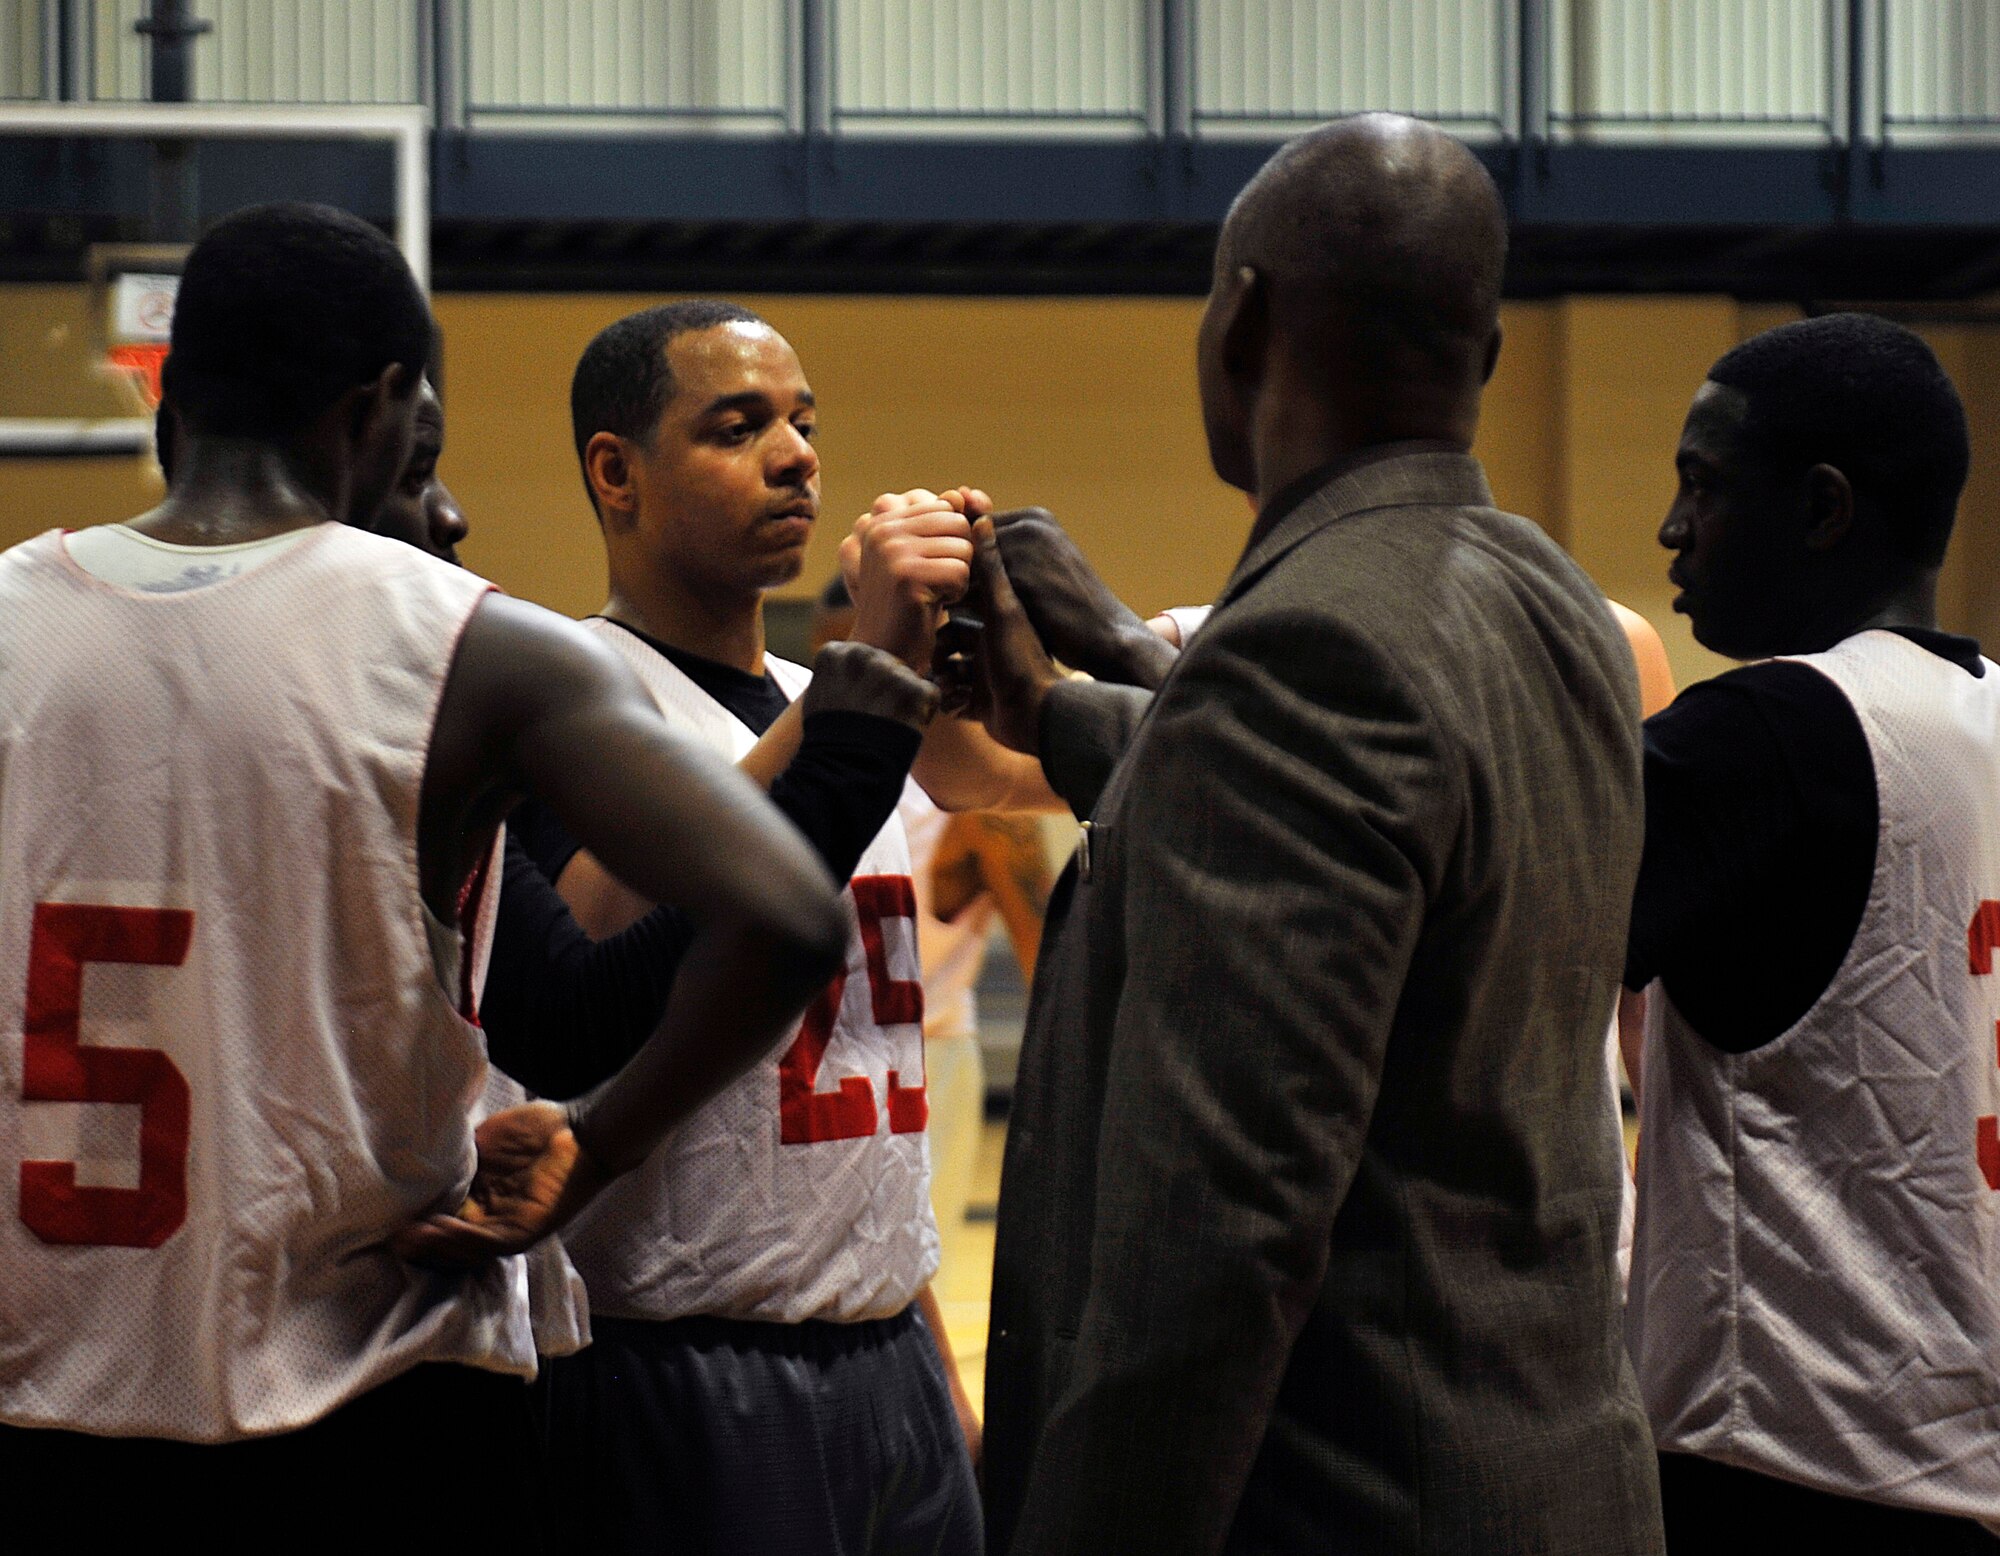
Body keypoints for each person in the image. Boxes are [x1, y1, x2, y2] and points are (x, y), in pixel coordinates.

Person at [0, 203, 848, 1543]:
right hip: (375, 1392)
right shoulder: (467, 644)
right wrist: (601, 1141)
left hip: (49, 1393)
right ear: (385, 401)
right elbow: (796, 913)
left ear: (171, 390)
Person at [963, 115, 1664, 1553]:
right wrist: (1059, 701)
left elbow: (1212, 1263)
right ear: (1485, 357)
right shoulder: (1556, 606)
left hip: (1352, 1500)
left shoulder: (1305, 650)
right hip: (1540, 1471)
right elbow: (1375, 804)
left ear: (1242, 318)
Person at [524, 300, 983, 1553]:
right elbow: (593, 943)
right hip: (681, 1360)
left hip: (886, 1341)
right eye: (738, 428)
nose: (796, 455)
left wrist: (930, 1359)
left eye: (802, 422)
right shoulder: (561, 689)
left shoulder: (833, 708)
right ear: (615, 471)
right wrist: (845, 705)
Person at [1624, 314, 2000, 1552]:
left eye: (1703, 486)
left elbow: (1469, 876)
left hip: (1796, 1455)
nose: (1671, 529)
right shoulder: (1982, 713)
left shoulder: (1772, 732)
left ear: (1822, 507)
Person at [813, 575, 1057, 1273]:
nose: (844, 678)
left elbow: (1049, 959)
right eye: (829, 660)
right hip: (807, 1052)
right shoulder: (797, 757)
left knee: (913, 1286)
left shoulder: (979, 796)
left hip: (928, 1055)